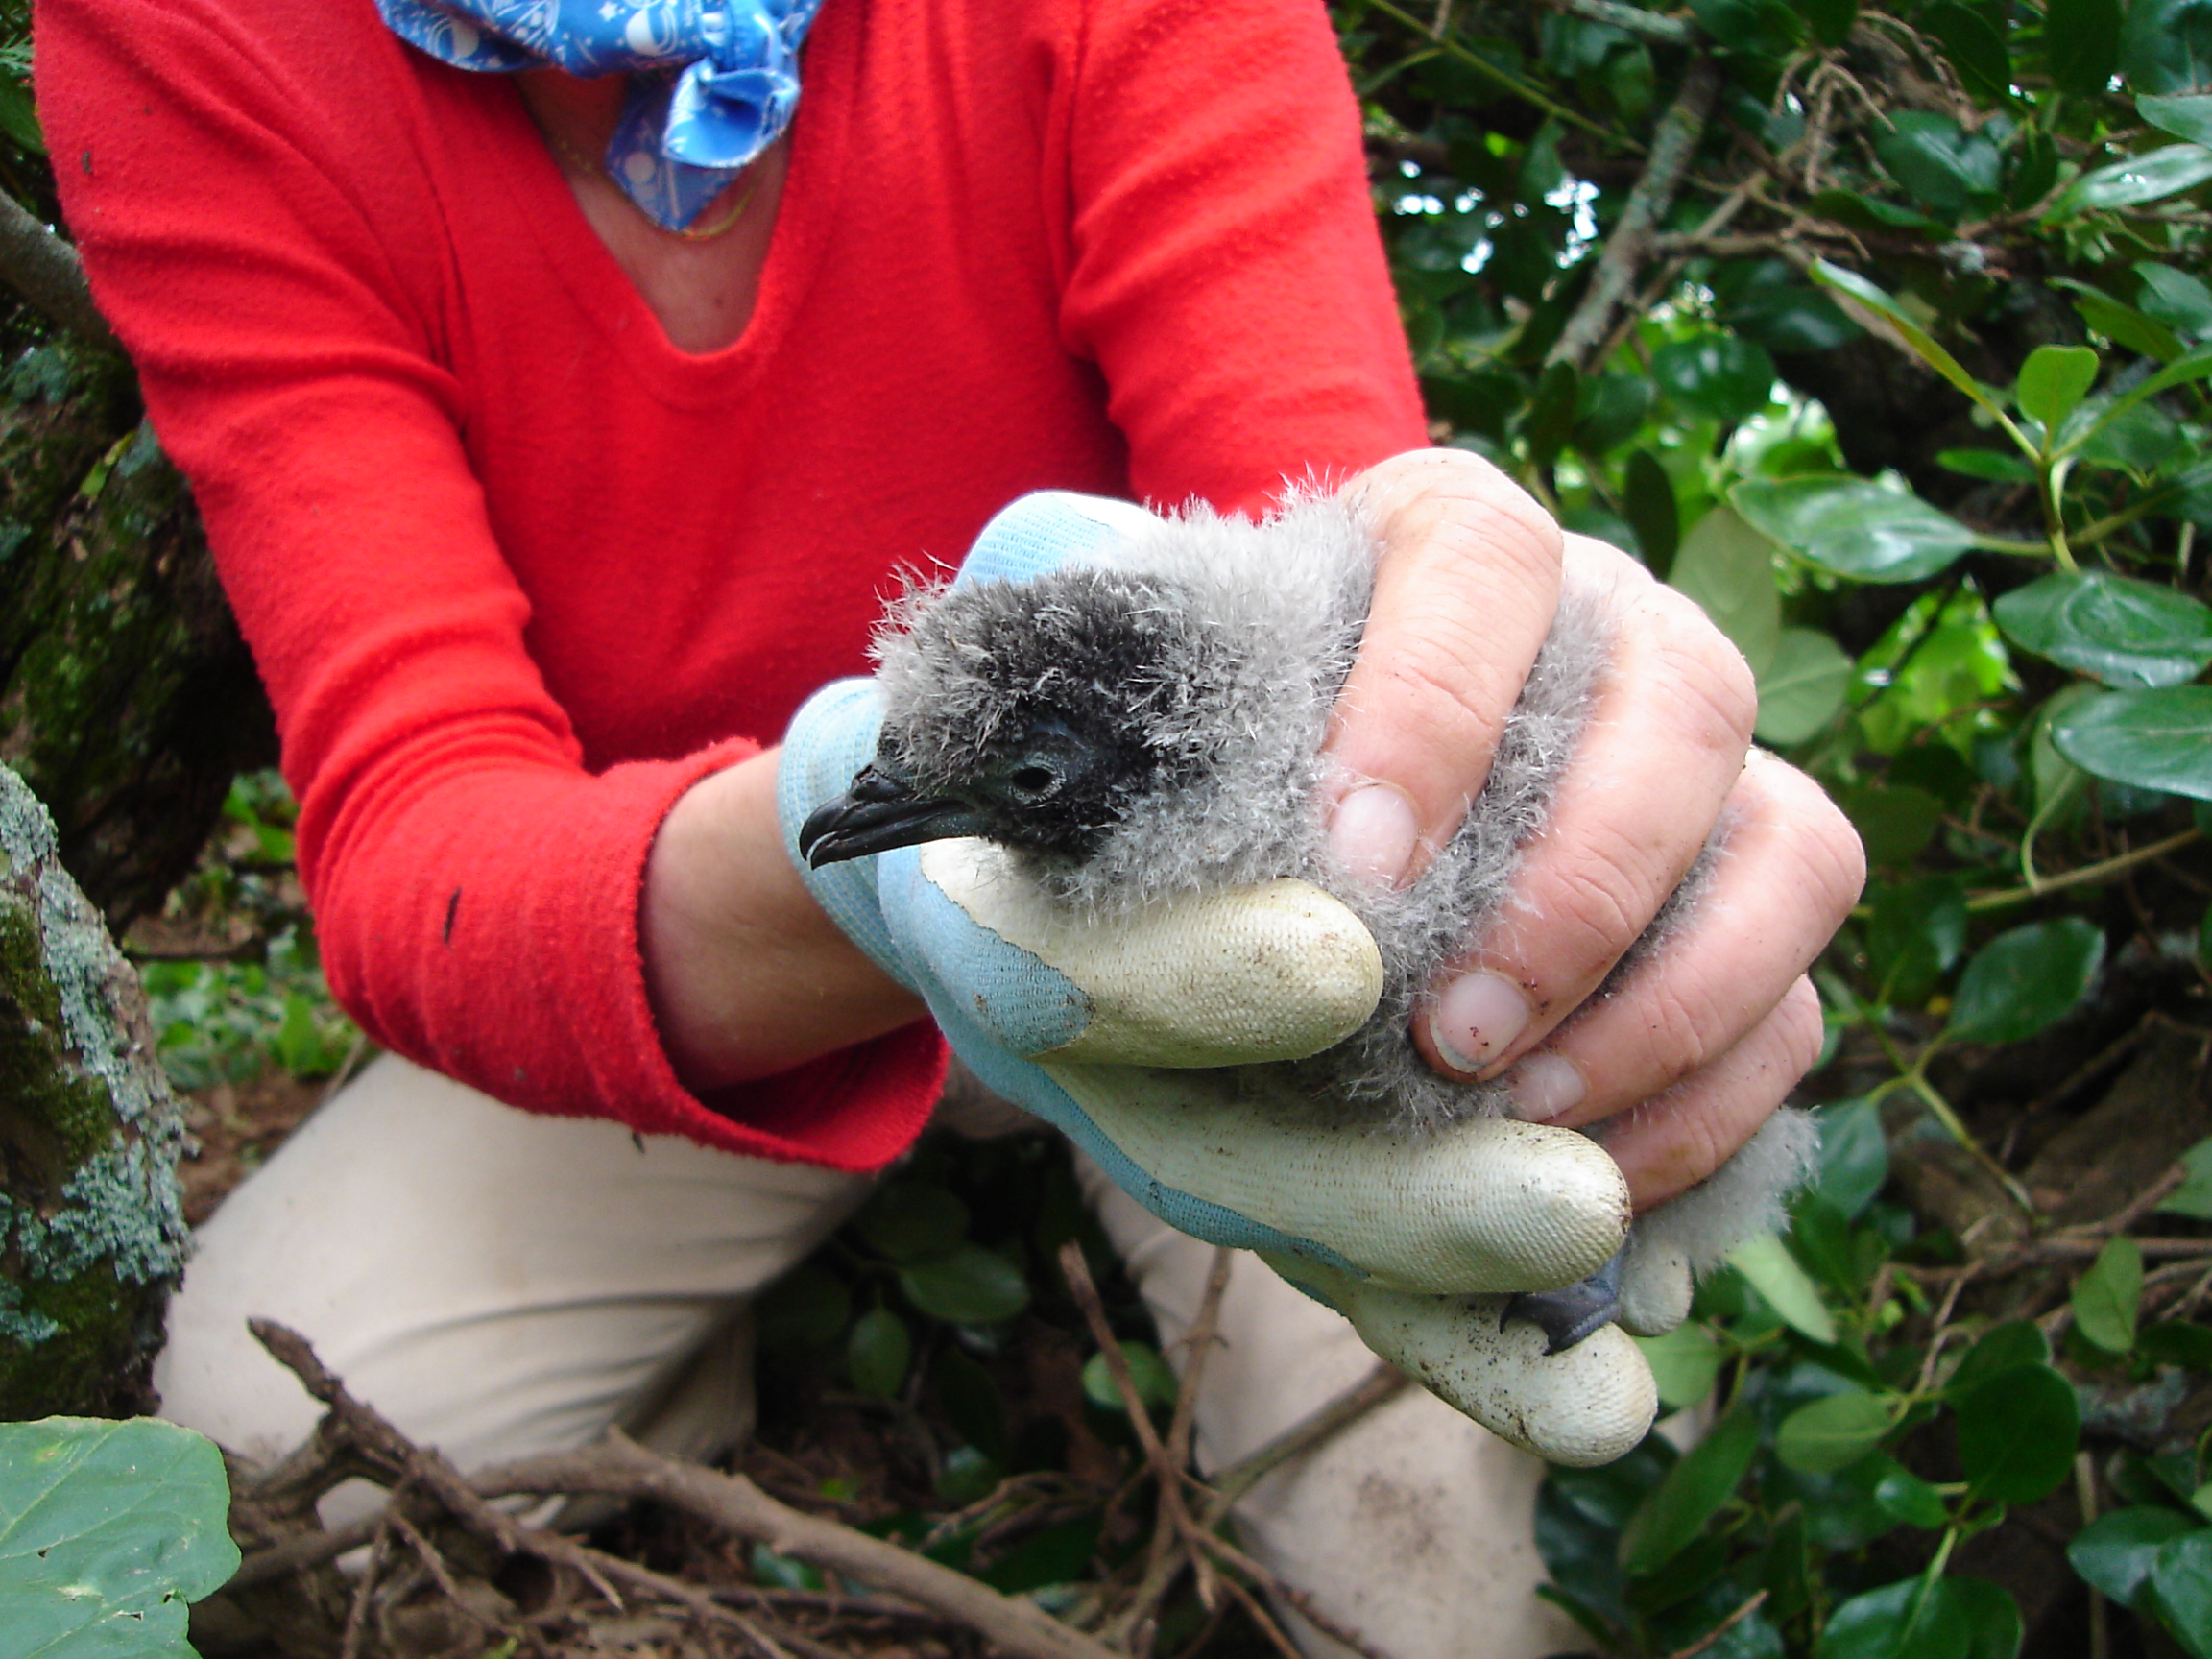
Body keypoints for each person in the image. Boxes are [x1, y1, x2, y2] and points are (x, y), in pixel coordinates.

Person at [36, 0, 1863, 1652]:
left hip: (1211, 964)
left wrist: (1521, 751)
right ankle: (711, 1399)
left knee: (1466, 1584)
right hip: (702, 946)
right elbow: (415, 835)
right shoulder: (194, 33)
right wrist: (880, 870)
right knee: (253, 1458)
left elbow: (1327, 567)